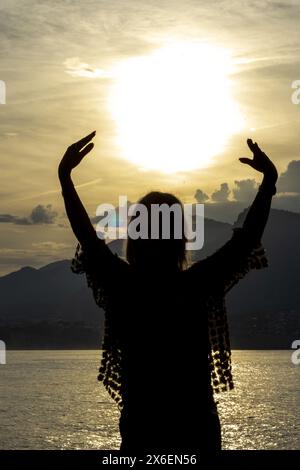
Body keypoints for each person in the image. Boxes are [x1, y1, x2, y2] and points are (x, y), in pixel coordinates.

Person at [58, 132, 277, 452]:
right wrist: (269, 182)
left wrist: (66, 179)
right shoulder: (197, 284)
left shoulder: (124, 284)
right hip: (196, 431)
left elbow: (88, 239)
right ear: (180, 239)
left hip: (142, 432)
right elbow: (245, 242)